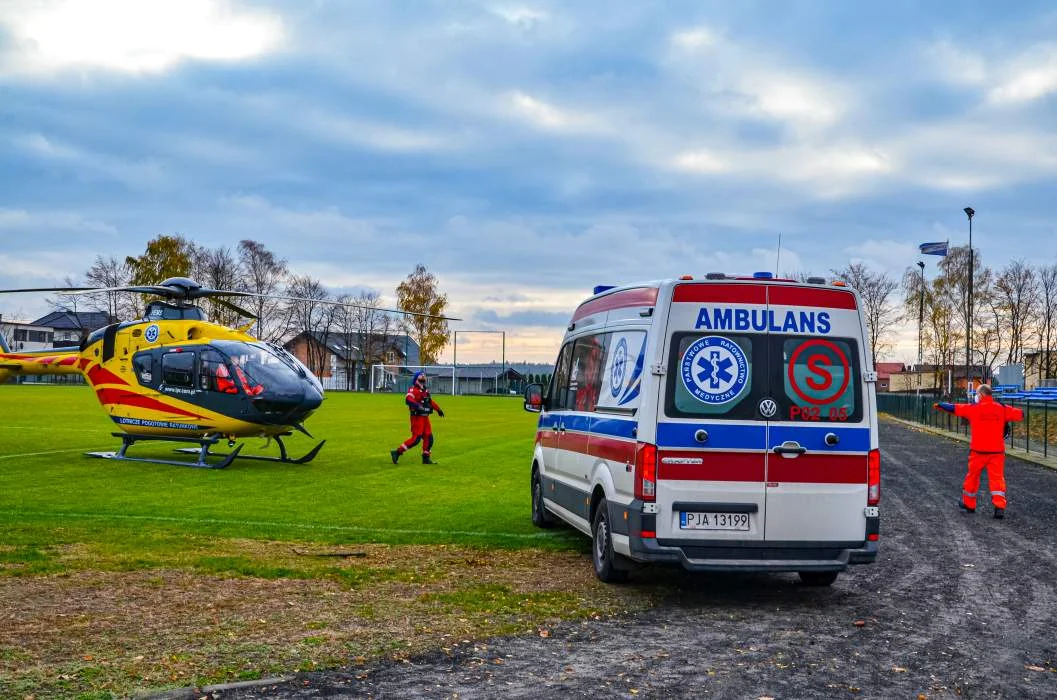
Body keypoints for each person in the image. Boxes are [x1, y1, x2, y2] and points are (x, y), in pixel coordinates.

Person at [934, 384, 1024, 519]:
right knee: (997, 479)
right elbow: (1020, 414)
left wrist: (940, 405)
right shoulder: (1002, 408)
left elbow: (955, 408)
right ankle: (999, 507)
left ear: (981, 395)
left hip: (978, 452)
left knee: (972, 477)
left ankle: (969, 504)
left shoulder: (973, 409)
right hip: (996, 452)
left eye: (976, 393)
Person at [391, 371, 445, 465]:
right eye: (421, 375)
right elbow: (408, 399)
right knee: (416, 439)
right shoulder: (413, 390)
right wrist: (417, 405)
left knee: (429, 438)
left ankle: (426, 458)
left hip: (425, 418)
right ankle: (397, 452)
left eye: (424, 375)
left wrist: (438, 409)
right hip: (417, 417)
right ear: (416, 379)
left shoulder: (425, 390)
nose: (423, 376)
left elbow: (430, 402)